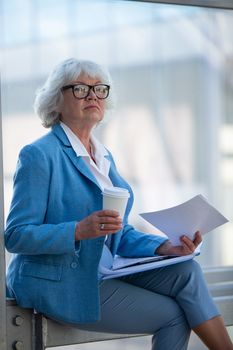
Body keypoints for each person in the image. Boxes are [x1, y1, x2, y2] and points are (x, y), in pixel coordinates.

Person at [5, 58, 232, 350]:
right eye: (80, 89)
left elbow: (118, 232)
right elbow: (16, 235)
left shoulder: (103, 156)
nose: (92, 96)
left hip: (102, 271)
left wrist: (164, 247)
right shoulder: (39, 155)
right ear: (56, 100)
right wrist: (78, 230)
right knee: (174, 316)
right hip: (59, 281)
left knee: (187, 271)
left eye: (99, 89)